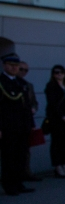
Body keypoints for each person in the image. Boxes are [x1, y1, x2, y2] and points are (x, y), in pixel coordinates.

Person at [0, 53, 34, 195]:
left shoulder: (21, 83)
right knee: (9, 157)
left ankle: (19, 182)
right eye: (11, 65)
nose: (14, 68)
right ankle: (9, 185)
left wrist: (30, 124)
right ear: (5, 65)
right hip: (7, 126)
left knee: (21, 155)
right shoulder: (1, 82)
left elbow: (26, 106)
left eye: (16, 66)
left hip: (22, 125)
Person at [44, 65, 65, 178]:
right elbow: (52, 105)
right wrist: (62, 117)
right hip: (57, 121)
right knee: (57, 144)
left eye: (61, 72)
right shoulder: (51, 86)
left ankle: (64, 165)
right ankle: (58, 167)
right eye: (56, 72)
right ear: (53, 75)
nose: (59, 74)